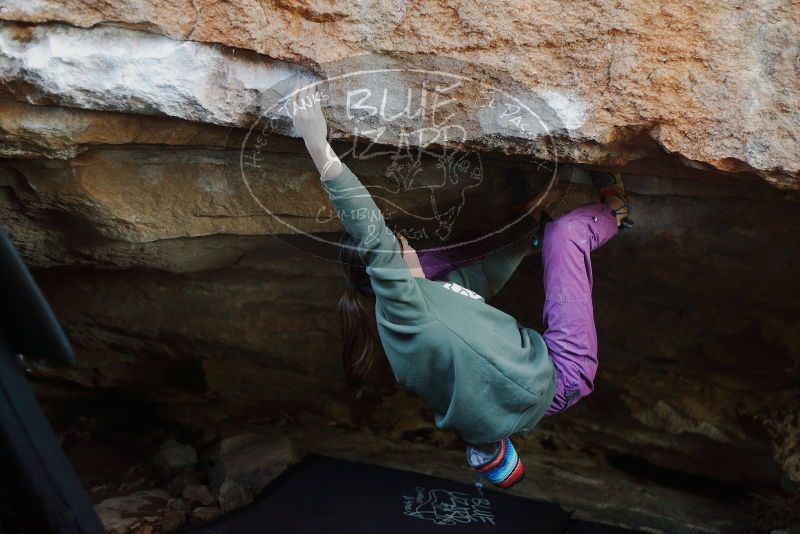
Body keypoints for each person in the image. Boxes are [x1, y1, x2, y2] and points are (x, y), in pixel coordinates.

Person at [290, 84, 632, 489]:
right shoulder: (406, 311)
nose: (410, 245)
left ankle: (487, 445)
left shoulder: (420, 304)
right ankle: (617, 209)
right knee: (567, 233)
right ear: (387, 271)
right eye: (403, 246)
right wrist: (318, 146)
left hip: (516, 392)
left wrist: (526, 230)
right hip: (563, 372)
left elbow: (481, 277)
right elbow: (369, 228)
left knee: (471, 257)